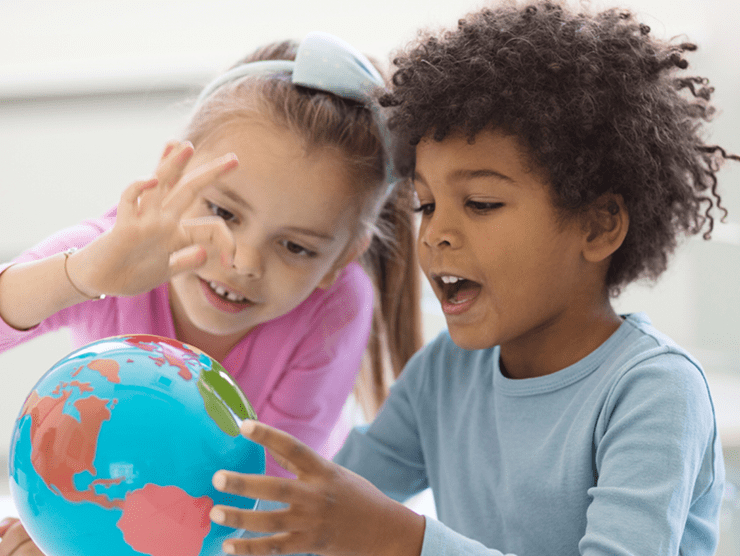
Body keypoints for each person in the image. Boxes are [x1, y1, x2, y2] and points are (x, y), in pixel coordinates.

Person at [192, 2, 735, 555]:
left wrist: (401, 537)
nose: (436, 235)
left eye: (480, 202)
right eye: (426, 205)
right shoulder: (444, 374)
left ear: (597, 226)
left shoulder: (654, 392)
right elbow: (324, 500)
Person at [0, 32, 423, 555]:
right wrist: (82, 274)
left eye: (294, 246)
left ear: (341, 258)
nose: (243, 261)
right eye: (223, 212)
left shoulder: (338, 308)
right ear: (173, 176)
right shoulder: (113, 251)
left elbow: (258, 507)